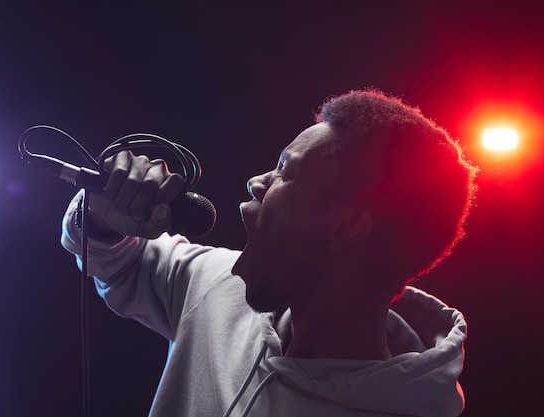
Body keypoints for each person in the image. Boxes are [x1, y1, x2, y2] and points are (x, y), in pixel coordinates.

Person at [61, 90, 477, 417]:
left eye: (285, 171)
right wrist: (102, 216)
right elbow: (117, 263)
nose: (256, 182)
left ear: (346, 226)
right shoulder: (218, 283)